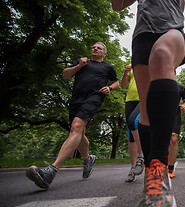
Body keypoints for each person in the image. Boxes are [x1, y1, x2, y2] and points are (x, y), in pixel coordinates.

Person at [112, 0, 185, 207]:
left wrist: (184, 42)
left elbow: (178, 20)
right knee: (145, 114)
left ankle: (159, 165)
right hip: (142, 39)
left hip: (172, 35)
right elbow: (117, 4)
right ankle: (155, 181)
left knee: (163, 54)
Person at [26, 42, 119, 190]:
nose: (95, 48)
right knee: (79, 132)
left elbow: (116, 82)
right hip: (76, 100)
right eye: (93, 47)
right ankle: (88, 159)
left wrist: (109, 88)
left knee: (76, 127)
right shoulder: (82, 62)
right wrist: (79, 66)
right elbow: (65, 75)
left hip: (94, 98)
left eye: (99, 48)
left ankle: (51, 171)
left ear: (104, 53)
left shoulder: (107, 67)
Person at [121, 64, 144, 182]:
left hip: (144, 97)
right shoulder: (131, 64)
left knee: (133, 122)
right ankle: (133, 167)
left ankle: (141, 157)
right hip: (130, 100)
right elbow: (123, 85)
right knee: (131, 134)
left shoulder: (150, 60)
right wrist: (126, 73)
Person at [168, 81, 185, 178]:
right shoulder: (160, 83)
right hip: (160, 113)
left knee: (174, 138)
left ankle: (171, 168)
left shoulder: (180, 87)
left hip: (175, 113)